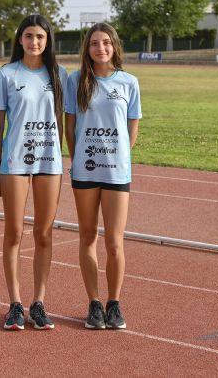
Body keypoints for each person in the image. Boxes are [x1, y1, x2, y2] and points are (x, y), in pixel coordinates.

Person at [0, 15, 67, 330]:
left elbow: (63, 121)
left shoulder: (59, 74)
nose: (34, 42)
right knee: (14, 232)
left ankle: (38, 303)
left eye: (40, 36)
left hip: (49, 163)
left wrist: (62, 157)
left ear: (47, 40)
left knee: (44, 233)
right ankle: (14, 304)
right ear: (19, 39)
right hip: (14, 162)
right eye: (28, 36)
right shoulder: (7, 74)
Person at [64, 23, 141, 330]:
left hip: (116, 171)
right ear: (88, 48)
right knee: (87, 236)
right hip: (85, 170)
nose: (100, 48)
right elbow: (70, 126)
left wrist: (119, 153)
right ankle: (94, 303)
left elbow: (131, 129)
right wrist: (78, 154)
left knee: (114, 242)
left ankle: (114, 303)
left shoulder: (129, 82)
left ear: (114, 47)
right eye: (95, 43)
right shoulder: (76, 80)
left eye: (106, 43)